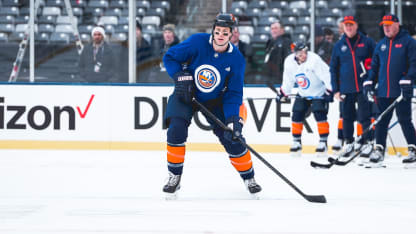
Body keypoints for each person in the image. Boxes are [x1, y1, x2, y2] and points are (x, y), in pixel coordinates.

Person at [161, 13, 262, 196]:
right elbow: (169, 57)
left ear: (231, 34)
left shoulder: (237, 59)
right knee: (176, 128)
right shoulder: (197, 42)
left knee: (233, 138)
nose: (220, 35)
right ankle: (174, 176)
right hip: (187, 92)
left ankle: (249, 177)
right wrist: (179, 76)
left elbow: (234, 93)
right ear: (213, 31)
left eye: (225, 32)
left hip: (216, 100)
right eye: (217, 31)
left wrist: (234, 120)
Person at [363, 14, 416, 166]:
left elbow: (414, 63)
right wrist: (369, 82)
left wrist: (409, 78)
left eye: (389, 24)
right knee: (381, 121)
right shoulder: (381, 44)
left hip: (401, 90)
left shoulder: (409, 42)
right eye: (384, 25)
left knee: (405, 120)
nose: (386, 27)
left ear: (397, 24)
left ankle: (413, 149)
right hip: (384, 91)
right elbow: (374, 67)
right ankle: (379, 150)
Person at [330, 15, 376, 159]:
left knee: (365, 117)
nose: (349, 27)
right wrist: (335, 89)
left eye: (351, 24)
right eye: (346, 25)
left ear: (356, 25)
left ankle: (368, 143)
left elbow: (376, 62)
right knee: (347, 117)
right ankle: (348, 143)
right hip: (346, 88)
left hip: (364, 87)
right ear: (343, 27)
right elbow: (333, 68)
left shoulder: (367, 42)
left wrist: (371, 80)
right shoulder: (339, 45)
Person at [277, 41, 333, 156]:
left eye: (304, 52)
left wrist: (330, 90)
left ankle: (323, 142)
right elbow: (288, 80)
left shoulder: (314, 59)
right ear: (295, 54)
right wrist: (283, 92)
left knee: (319, 114)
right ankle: (296, 142)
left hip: (318, 92)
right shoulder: (289, 62)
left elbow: (327, 75)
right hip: (303, 93)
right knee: (297, 113)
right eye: (300, 53)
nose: (303, 55)